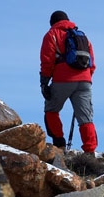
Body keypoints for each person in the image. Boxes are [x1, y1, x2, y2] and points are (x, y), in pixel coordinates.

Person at [39, 10, 97, 153]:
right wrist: (86, 78)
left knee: (51, 110)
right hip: (84, 80)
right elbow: (92, 62)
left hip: (62, 79)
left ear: (52, 23)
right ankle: (90, 152)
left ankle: (59, 145)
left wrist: (44, 82)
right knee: (85, 118)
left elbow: (47, 60)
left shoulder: (51, 35)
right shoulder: (83, 36)